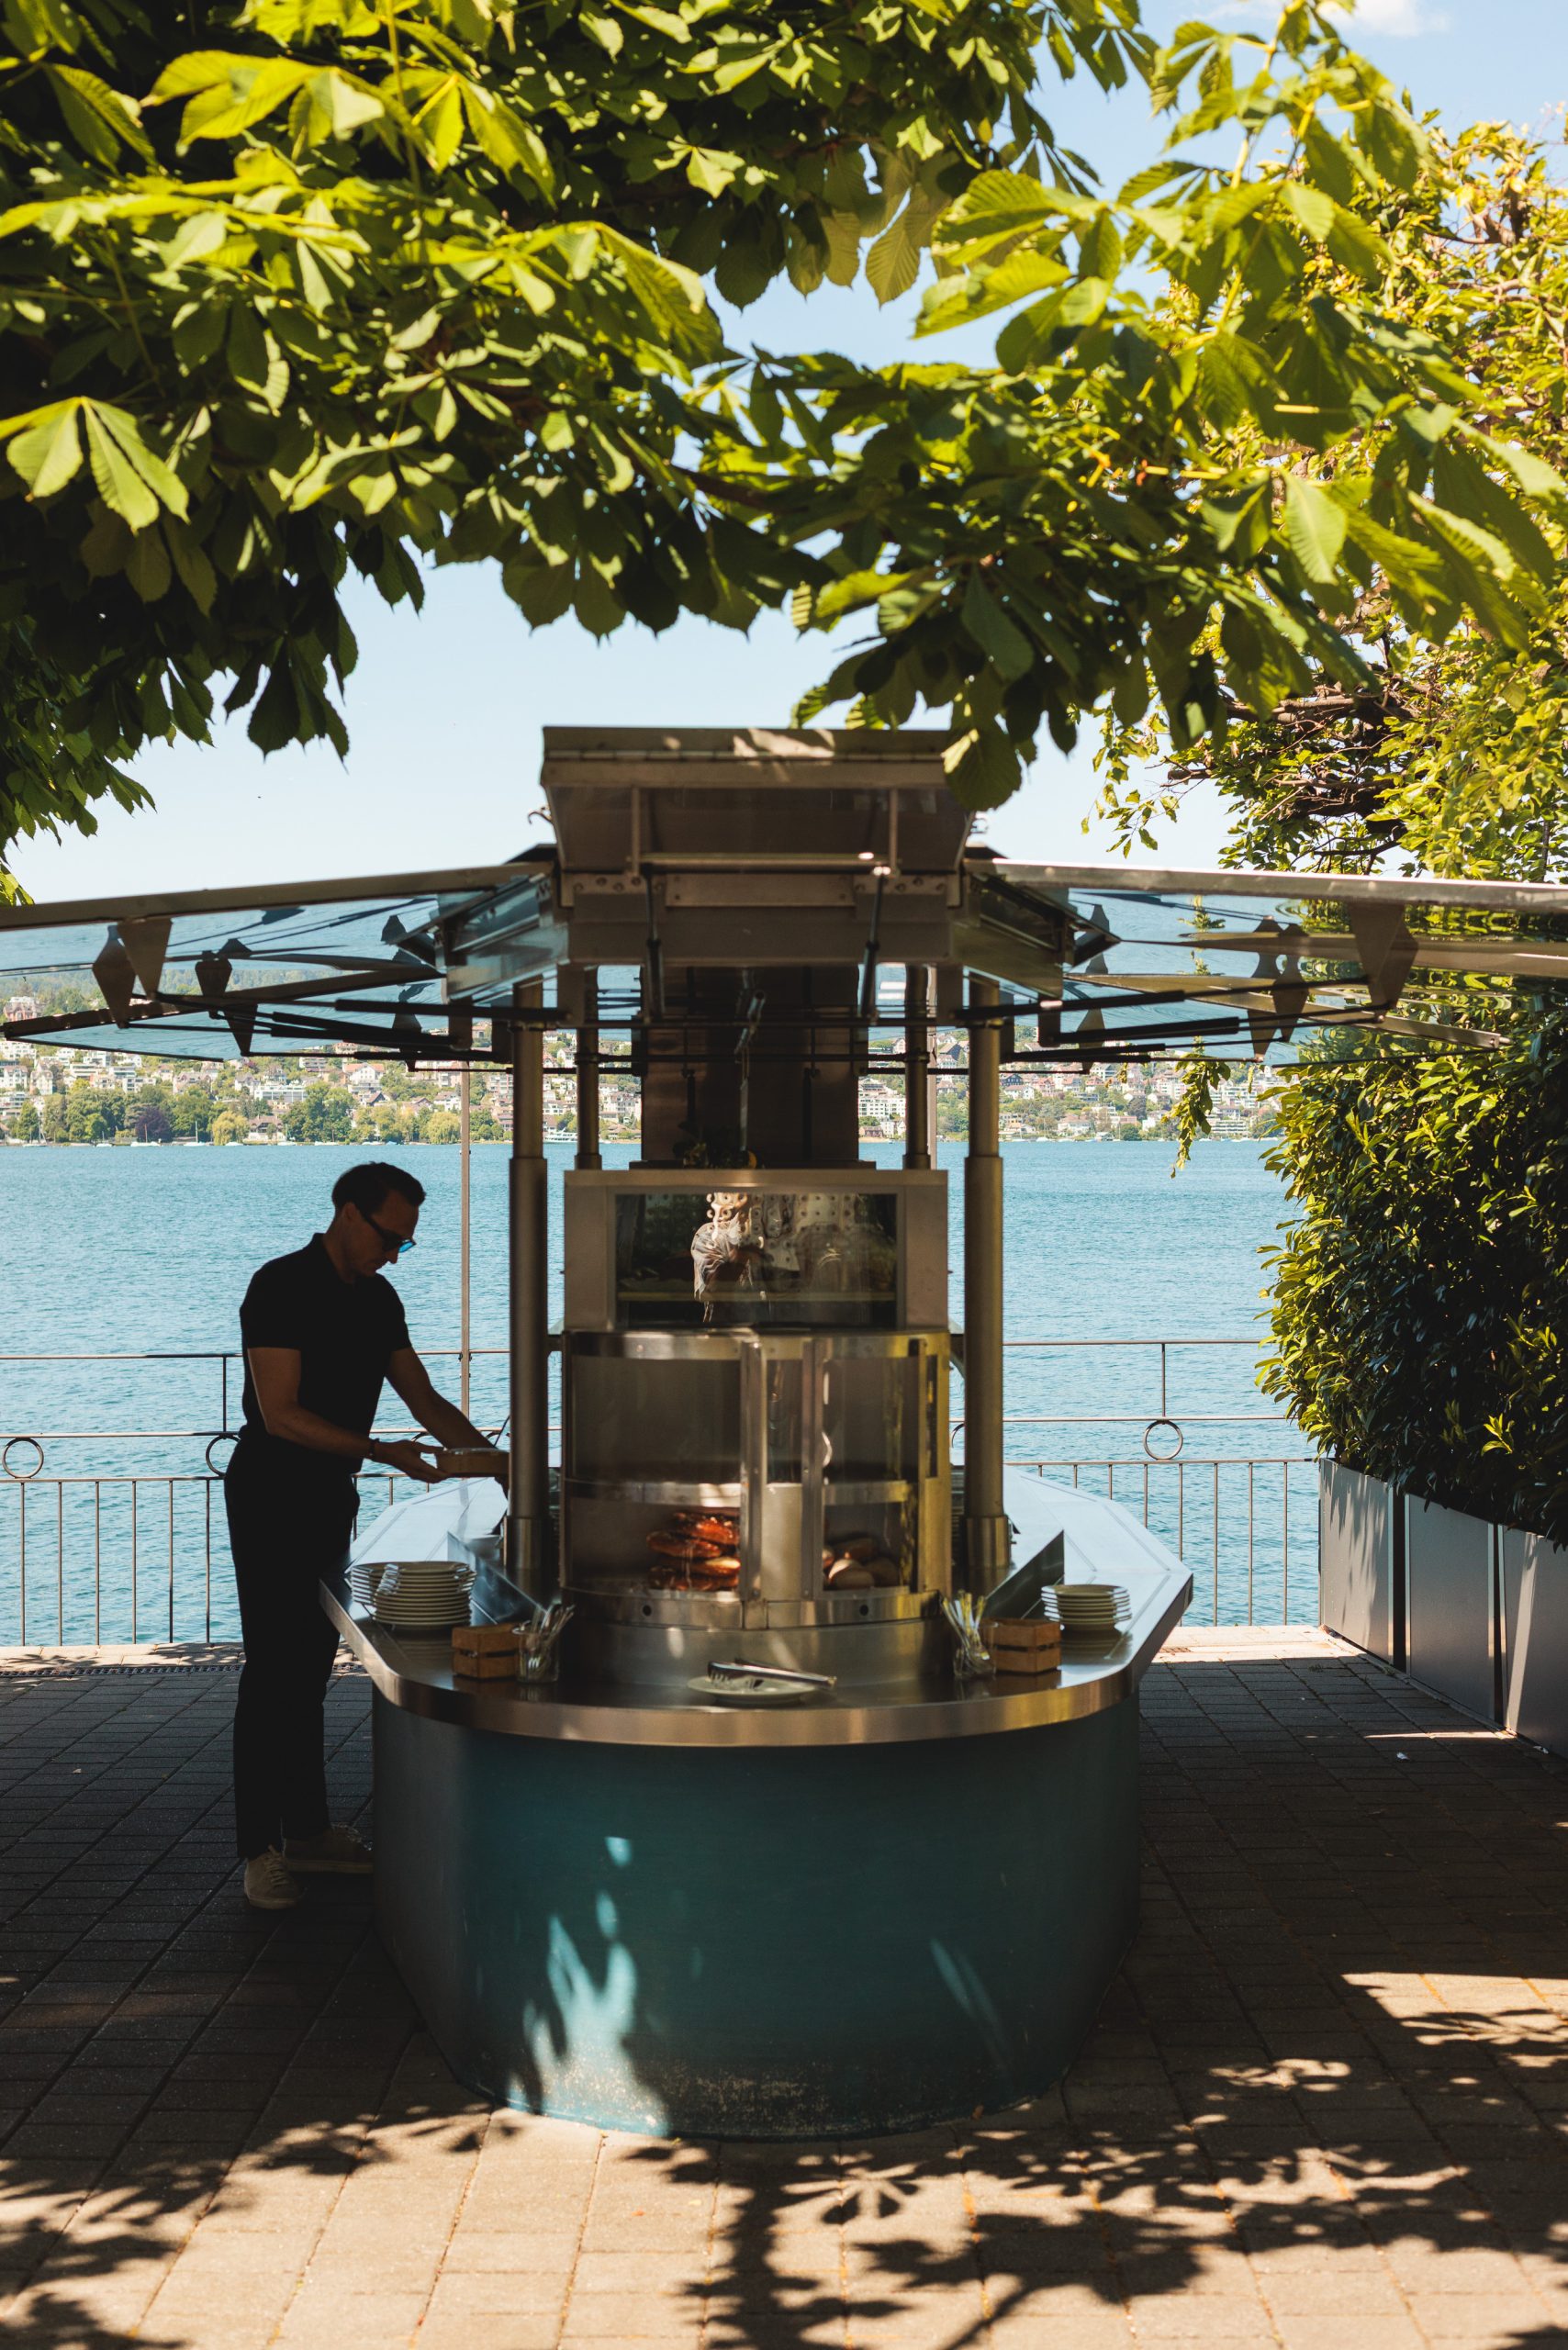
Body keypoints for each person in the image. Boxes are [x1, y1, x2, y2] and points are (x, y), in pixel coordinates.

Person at [227, 1161, 500, 1911]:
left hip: (328, 1495)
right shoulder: (278, 1287)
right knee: (273, 1668)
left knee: (311, 1665)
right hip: (270, 1493)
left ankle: (309, 1832)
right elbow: (280, 1414)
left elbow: (425, 1399)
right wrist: (381, 1451)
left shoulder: (379, 1300)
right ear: (349, 1213)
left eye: (405, 1243)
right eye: (389, 1238)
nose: (394, 1255)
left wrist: (498, 1466)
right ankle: (258, 1848)